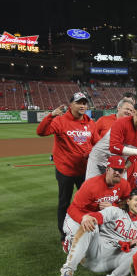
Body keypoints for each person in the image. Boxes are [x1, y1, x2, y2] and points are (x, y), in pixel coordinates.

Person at [55, 188, 137, 276]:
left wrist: (136, 245)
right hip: (95, 251)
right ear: (128, 201)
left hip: (110, 261)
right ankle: (67, 274)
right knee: (90, 224)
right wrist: (90, 218)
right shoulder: (115, 211)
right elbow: (96, 217)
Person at [36, 92, 97, 241]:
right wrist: (51, 115)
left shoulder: (90, 123)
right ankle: (64, 233)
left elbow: (97, 142)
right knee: (64, 202)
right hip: (66, 170)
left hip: (84, 170)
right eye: (79, 103)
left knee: (89, 201)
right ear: (71, 105)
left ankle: (91, 229)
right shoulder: (60, 121)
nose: (82, 105)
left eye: (84, 103)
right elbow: (41, 132)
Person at [63, 155, 132, 251]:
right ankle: (69, 240)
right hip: (81, 215)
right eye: (114, 170)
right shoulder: (91, 185)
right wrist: (83, 219)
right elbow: (74, 208)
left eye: (120, 171)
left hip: (100, 218)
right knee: (84, 240)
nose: (117, 173)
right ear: (107, 169)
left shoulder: (124, 185)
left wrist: (113, 206)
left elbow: (128, 203)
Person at [86, 99, 137, 179]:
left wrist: (126, 166)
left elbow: (134, 155)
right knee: (93, 188)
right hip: (99, 159)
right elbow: (114, 147)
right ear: (135, 111)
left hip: (118, 161)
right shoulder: (121, 123)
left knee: (120, 189)